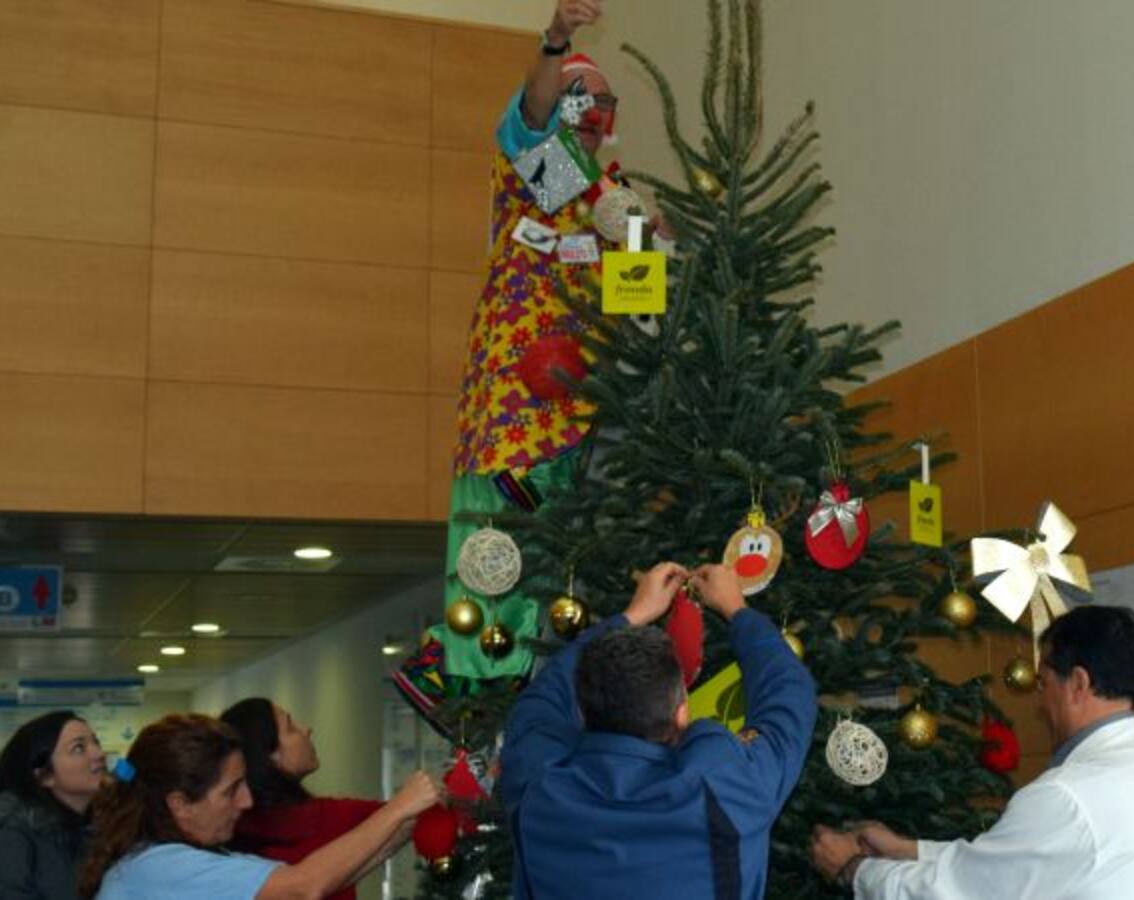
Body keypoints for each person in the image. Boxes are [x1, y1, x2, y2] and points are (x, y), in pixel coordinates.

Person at [438, 0, 659, 682]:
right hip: (513, 424)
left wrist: (657, 242)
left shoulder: (614, 201)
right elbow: (533, 114)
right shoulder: (534, 169)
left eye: (602, 104)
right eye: (576, 100)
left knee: (576, 559)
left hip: (589, 426)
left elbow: (644, 307)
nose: (590, 115)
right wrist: (558, 39)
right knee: (506, 541)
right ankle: (493, 681)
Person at [809, 604, 1134, 898]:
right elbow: (1004, 864)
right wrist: (906, 850)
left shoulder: (1068, 797)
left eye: (1044, 683)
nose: (1040, 704)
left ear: (1078, 684)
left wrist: (854, 868)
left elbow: (962, 892)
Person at [500, 562, 818, 899]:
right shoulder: (729, 786)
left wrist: (633, 614)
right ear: (682, 715)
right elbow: (790, 695)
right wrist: (736, 609)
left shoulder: (538, 781)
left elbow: (543, 698)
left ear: (581, 711)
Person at [77, 714, 439, 900]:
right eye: (231, 790)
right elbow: (304, 887)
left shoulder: (169, 861)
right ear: (181, 805)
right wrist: (400, 807)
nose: (247, 801)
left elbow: (324, 882)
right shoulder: (161, 868)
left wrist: (411, 817)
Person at [219, 698, 391, 900]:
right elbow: (406, 814)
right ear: (269, 755)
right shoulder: (326, 819)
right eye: (290, 728)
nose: (306, 730)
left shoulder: (229, 832)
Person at [0, 710, 106, 899]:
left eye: (95, 742)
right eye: (79, 748)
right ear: (44, 776)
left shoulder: (94, 828)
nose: (98, 753)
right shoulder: (13, 833)